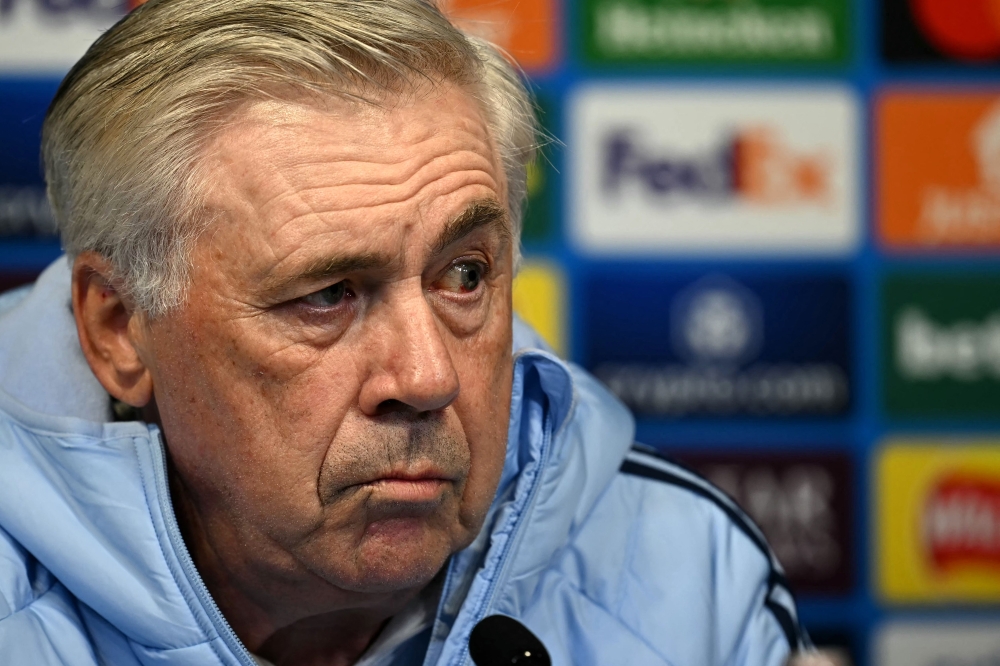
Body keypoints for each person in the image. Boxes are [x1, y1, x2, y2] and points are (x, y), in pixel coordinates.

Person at [0, 1, 809, 664]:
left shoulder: (689, 572)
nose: (429, 378)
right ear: (120, 329)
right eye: (328, 295)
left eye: (464, 276)